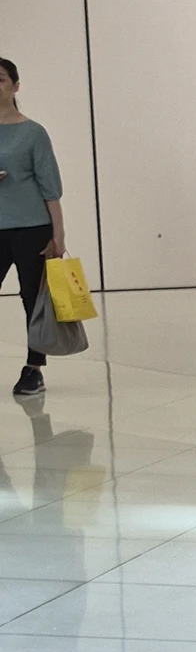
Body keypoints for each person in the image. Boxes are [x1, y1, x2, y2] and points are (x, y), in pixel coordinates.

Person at [0, 56, 66, 398]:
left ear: (16, 86)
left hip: (31, 227)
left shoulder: (33, 132)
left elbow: (50, 187)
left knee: (33, 299)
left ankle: (33, 368)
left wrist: (58, 235)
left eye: (0, 79)